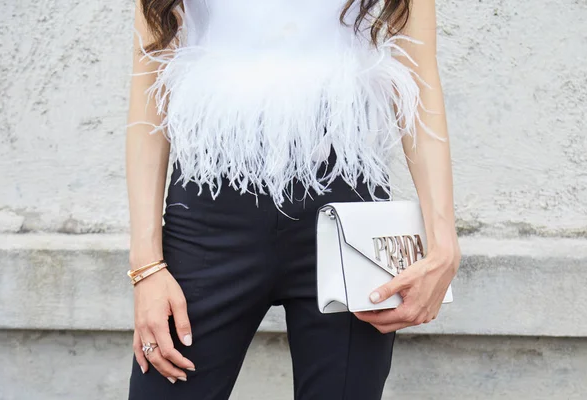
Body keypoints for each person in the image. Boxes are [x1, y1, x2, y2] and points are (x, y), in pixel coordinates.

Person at [125, 0, 461, 398]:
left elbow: (419, 77)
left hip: (345, 210)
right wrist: (145, 266)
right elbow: (149, 84)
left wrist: (444, 245)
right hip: (210, 209)